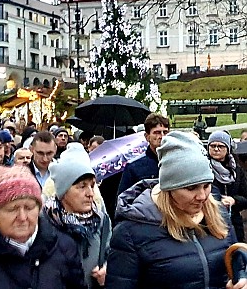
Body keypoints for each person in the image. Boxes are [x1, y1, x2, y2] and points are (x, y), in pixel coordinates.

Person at [106, 131, 240, 289]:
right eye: (191, 188)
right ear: (170, 188)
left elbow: (236, 264)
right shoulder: (130, 232)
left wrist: (240, 278)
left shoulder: (220, 214)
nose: (202, 196)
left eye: (206, 185)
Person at [45, 143, 111, 288]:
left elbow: (111, 254)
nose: (90, 193)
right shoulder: (43, 222)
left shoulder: (101, 220)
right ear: (64, 191)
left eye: (92, 186)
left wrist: (107, 270)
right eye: (82, 186)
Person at [207, 131, 247, 242]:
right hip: (211, 221)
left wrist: (234, 200)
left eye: (220, 146)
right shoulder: (203, 168)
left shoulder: (236, 170)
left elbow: (245, 197)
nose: (216, 149)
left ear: (228, 148)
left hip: (234, 221)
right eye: (213, 146)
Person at [117, 113, 170, 196]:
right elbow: (123, 201)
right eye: (157, 132)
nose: (162, 136)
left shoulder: (177, 162)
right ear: (147, 136)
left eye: (165, 132)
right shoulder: (133, 167)